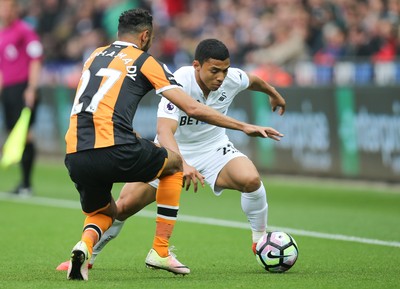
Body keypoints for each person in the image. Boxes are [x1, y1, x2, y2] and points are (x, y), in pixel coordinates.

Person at [62, 9, 283, 281]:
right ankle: (156, 251)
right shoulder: (157, 67)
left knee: (250, 179)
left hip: (77, 151)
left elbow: (253, 80)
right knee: (140, 193)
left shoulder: (94, 55)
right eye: (214, 70)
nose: (221, 76)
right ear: (145, 36)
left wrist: (274, 93)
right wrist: (244, 127)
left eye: (224, 71)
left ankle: (84, 248)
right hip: (148, 147)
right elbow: (175, 120)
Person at [0, 0, 43, 196]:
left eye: (7, 7)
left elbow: (35, 60)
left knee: (25, 134)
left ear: (15, 9)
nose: (4, 11)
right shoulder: (2, 33)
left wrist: (32, 87)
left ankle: (27, 184)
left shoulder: (25, 31)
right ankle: (23, 183)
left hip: (23, 88)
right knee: (14, 135)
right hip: (8, 90)